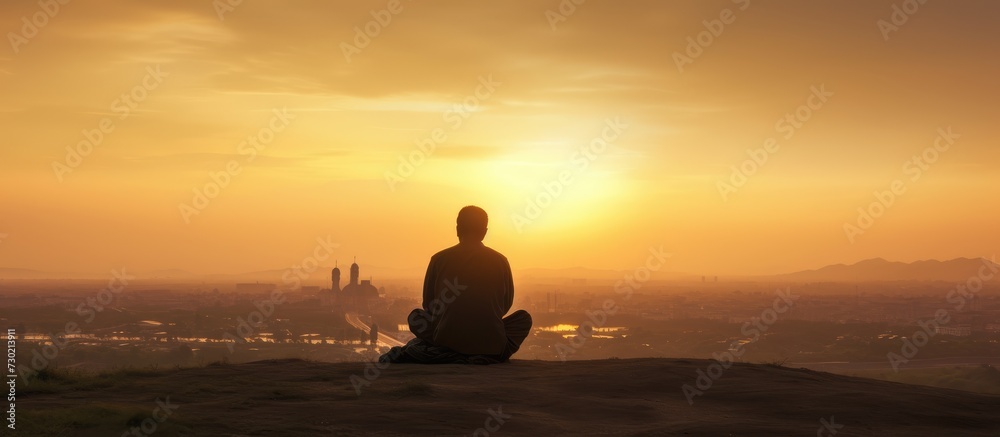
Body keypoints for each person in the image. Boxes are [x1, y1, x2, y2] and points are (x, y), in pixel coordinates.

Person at [391, 206, 532, 363]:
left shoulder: (439, 259)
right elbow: (505, 305)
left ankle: (450, 353)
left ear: (458, 229)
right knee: (523, 319)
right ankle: (484, 354)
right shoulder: (500, 261)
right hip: (490, 343)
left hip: (446, 340)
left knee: (415, 317)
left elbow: (429, 306)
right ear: (484, 232)